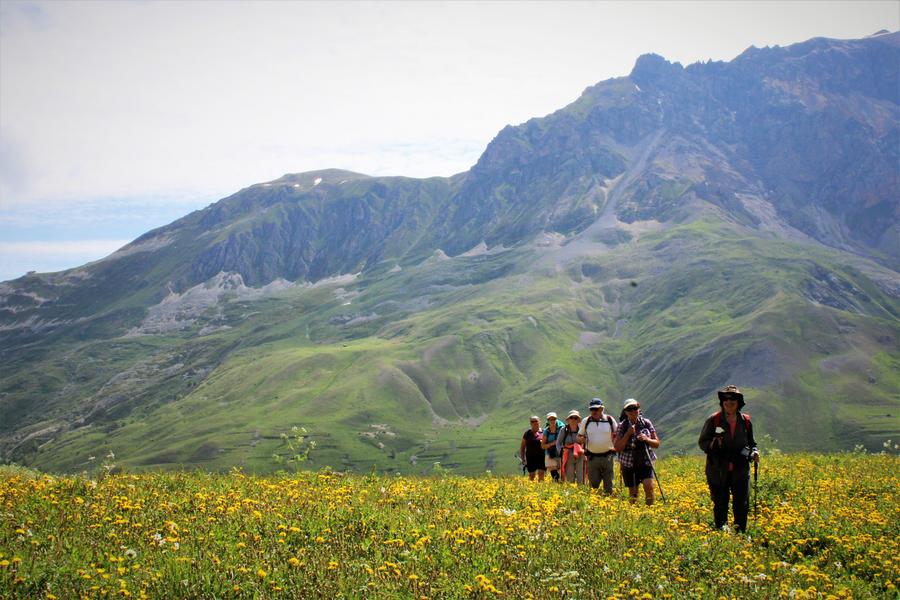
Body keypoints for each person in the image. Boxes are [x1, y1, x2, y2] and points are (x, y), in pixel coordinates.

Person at [698, 384, 759, 532]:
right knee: (720, 503)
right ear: (722, 401)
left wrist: (754, 452)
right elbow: (702, 442)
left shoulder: (745, 422)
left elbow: (752, 443)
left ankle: (741, 533)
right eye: (726, 399)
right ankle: (722, 531)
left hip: (740, 470)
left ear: (738, 402)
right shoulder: (714, 420)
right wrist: (713, 444)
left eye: (732, 399)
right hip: (718, 470)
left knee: (741, 503)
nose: (729, 401)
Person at [614, 399, 660, 505]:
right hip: (629, 462)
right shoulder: (622, 426)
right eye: (629, 409)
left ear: (639, 409)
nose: (632, 411)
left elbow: (656, 443)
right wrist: (628, 434)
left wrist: (646, 439)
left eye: (634, 408)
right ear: (625, 412)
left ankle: (650, 511)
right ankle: (634, 514)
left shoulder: (646, 423)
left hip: (645, 460)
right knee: (633, 493)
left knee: (649, 486)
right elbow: (617, 447)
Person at [578, 398, 617, 494]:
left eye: (596, 409)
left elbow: (617, 434)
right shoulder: (585, 421)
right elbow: (579, 436)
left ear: (601, 409)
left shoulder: (610, 420)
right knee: (593, 485)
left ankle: (608, 504)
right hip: (592, 458)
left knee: (609, 485)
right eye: (592, 409)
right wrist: (581, 439)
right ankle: (594, 505)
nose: (594, 411)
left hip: (608, 457)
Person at [558, 410, 585, 484]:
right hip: (568, 454)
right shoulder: (564, 430)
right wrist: (561, 453)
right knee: (570, 477)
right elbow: (558, 443)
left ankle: (582, 492)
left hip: (580, 454)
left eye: (575, 418)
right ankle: (572, 493)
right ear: (568, 419)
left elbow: (586, 441)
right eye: (571, 417)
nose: (573, 419)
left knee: (581, 477)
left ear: (578, 420)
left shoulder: (582, 430)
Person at [520, 416, 546, 481]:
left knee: (541, 474)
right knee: (531, 475)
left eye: (536, 421)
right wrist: (523, 459)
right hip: (530, 457)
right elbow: (523, 447)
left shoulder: (544, 432)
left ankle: (541, 489)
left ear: (539, 422)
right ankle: (531, 489)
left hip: (542, 456)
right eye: (532, 421)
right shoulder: (527, 433)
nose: (534, 423)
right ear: (530, 423)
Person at [541, 412, 564, 482]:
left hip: (560, 453)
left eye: (554, 419)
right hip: (549, 453)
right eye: (550, 419)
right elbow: (542, 446)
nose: (552, 421)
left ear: (556, 419)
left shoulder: (561, 429)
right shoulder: (546, 431)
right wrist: (552, 443)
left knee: (561, 471)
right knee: (553, 470)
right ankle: (557, 484)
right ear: (548, 420)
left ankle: (562, 485)